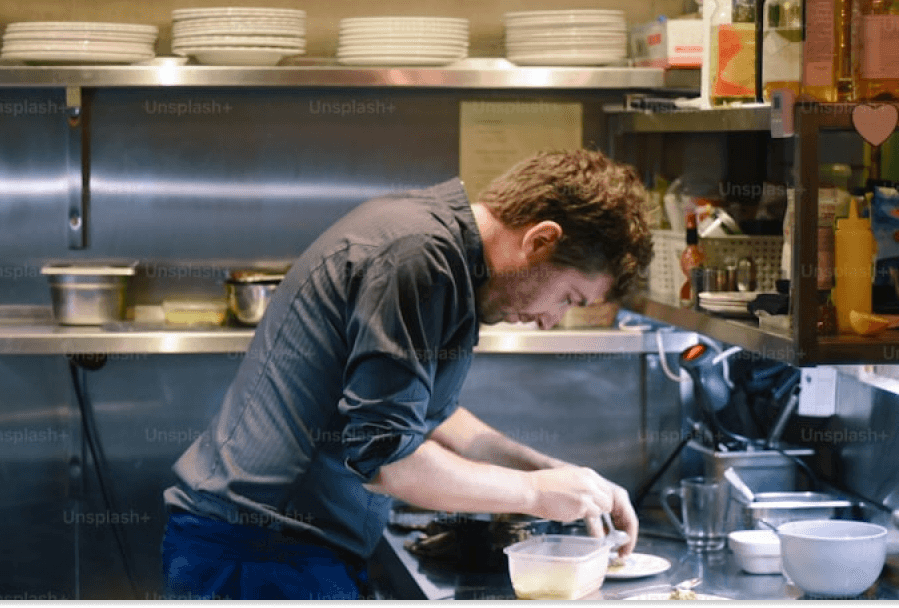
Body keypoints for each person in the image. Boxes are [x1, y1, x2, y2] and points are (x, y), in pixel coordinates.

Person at [161, 149, 654, 600]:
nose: (552, 320)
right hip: (258, 554)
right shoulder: (418, 257)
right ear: (541, 240)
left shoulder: (449, 260)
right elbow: (388, 460)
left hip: (287, 549)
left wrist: (547, 471)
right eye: (569, 298)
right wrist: (535, 495)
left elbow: (434, 414)